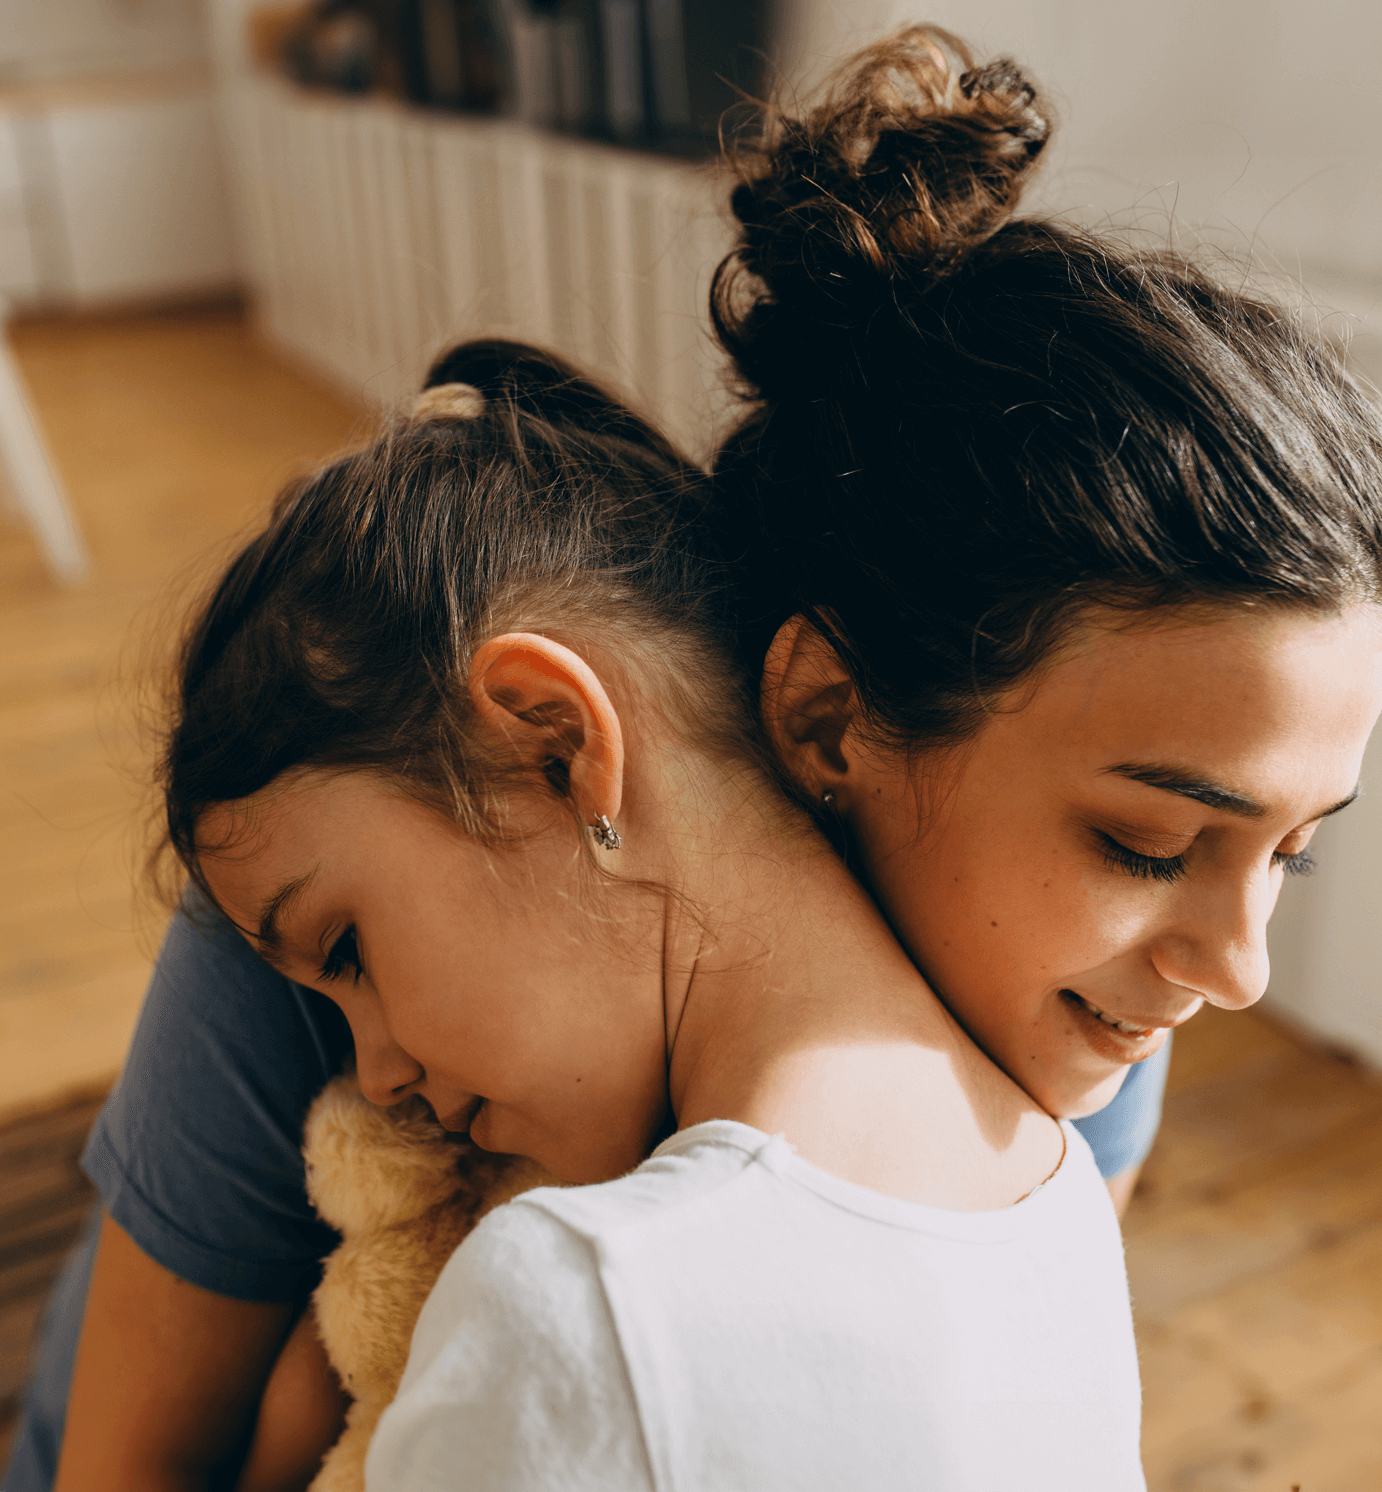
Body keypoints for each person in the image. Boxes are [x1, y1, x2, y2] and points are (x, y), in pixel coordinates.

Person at [6, 23, 1382, 1492]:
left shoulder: (1083, 1040)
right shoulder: (350, 865)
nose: (1239, 966)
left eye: (1294, 847)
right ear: (824, 718)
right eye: (1147, 842)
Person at [163, 354, 1145, 1490]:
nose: (375, 1076)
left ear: (557, 744)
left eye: (348, 953)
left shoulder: (578, 1303)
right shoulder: (1054, 1181)